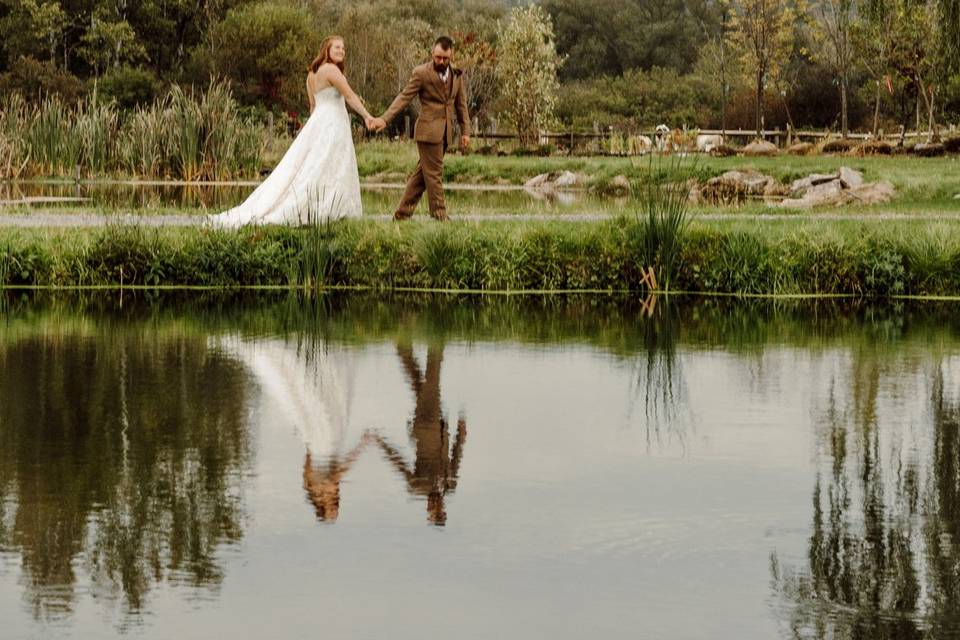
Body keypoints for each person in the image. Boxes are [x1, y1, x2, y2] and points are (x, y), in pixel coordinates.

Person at [210, 36, 377, 228]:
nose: (342, 51)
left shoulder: (311, 76)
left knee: (313, 167)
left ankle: (322, 209)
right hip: (332, 124)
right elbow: (349, 95)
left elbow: (313, 107)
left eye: (343, 48)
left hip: (318, 123)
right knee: (332, 165)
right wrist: (367, 117)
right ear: (327, 49)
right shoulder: (331, 70)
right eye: (337, 47)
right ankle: (331, 211)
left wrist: (314, 132)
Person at [368, 36, 471, 221]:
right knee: (434, 174)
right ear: (432, 53)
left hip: (446, 133)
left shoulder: (456, 74)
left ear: (451, 55)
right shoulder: (421, 73)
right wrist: (385, 119)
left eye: (445, 58)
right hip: (428, 132)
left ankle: (401, 215)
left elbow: (461, 104)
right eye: (438, 57)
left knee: (421, 177)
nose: (441, 61)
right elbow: (404, 97)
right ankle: (440, 216)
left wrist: (465, 131)